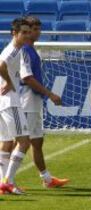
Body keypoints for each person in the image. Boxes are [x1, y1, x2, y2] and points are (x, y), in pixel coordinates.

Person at [19, 16, 69, 188]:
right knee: (19, 143)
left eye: (39, 29)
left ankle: (47, 179)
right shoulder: (23, 50)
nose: (38, 32)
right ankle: (6, 180)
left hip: (33, 102)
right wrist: (50, 94)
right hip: (25, 101)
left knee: (37, 142)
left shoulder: (32, 49)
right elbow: (27, 79)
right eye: (34, 29)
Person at [0, 17, 32, 195]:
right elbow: (1, 65)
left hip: (3, 102)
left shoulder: (16, 49)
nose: (27, 36)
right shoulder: (13, 50)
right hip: (10, 101)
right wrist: (9, 82)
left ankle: (2, 183)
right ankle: (8, 181)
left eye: (28, 32)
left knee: (5, 143)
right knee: (24, 141)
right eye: (24, 33)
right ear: (14, 33)